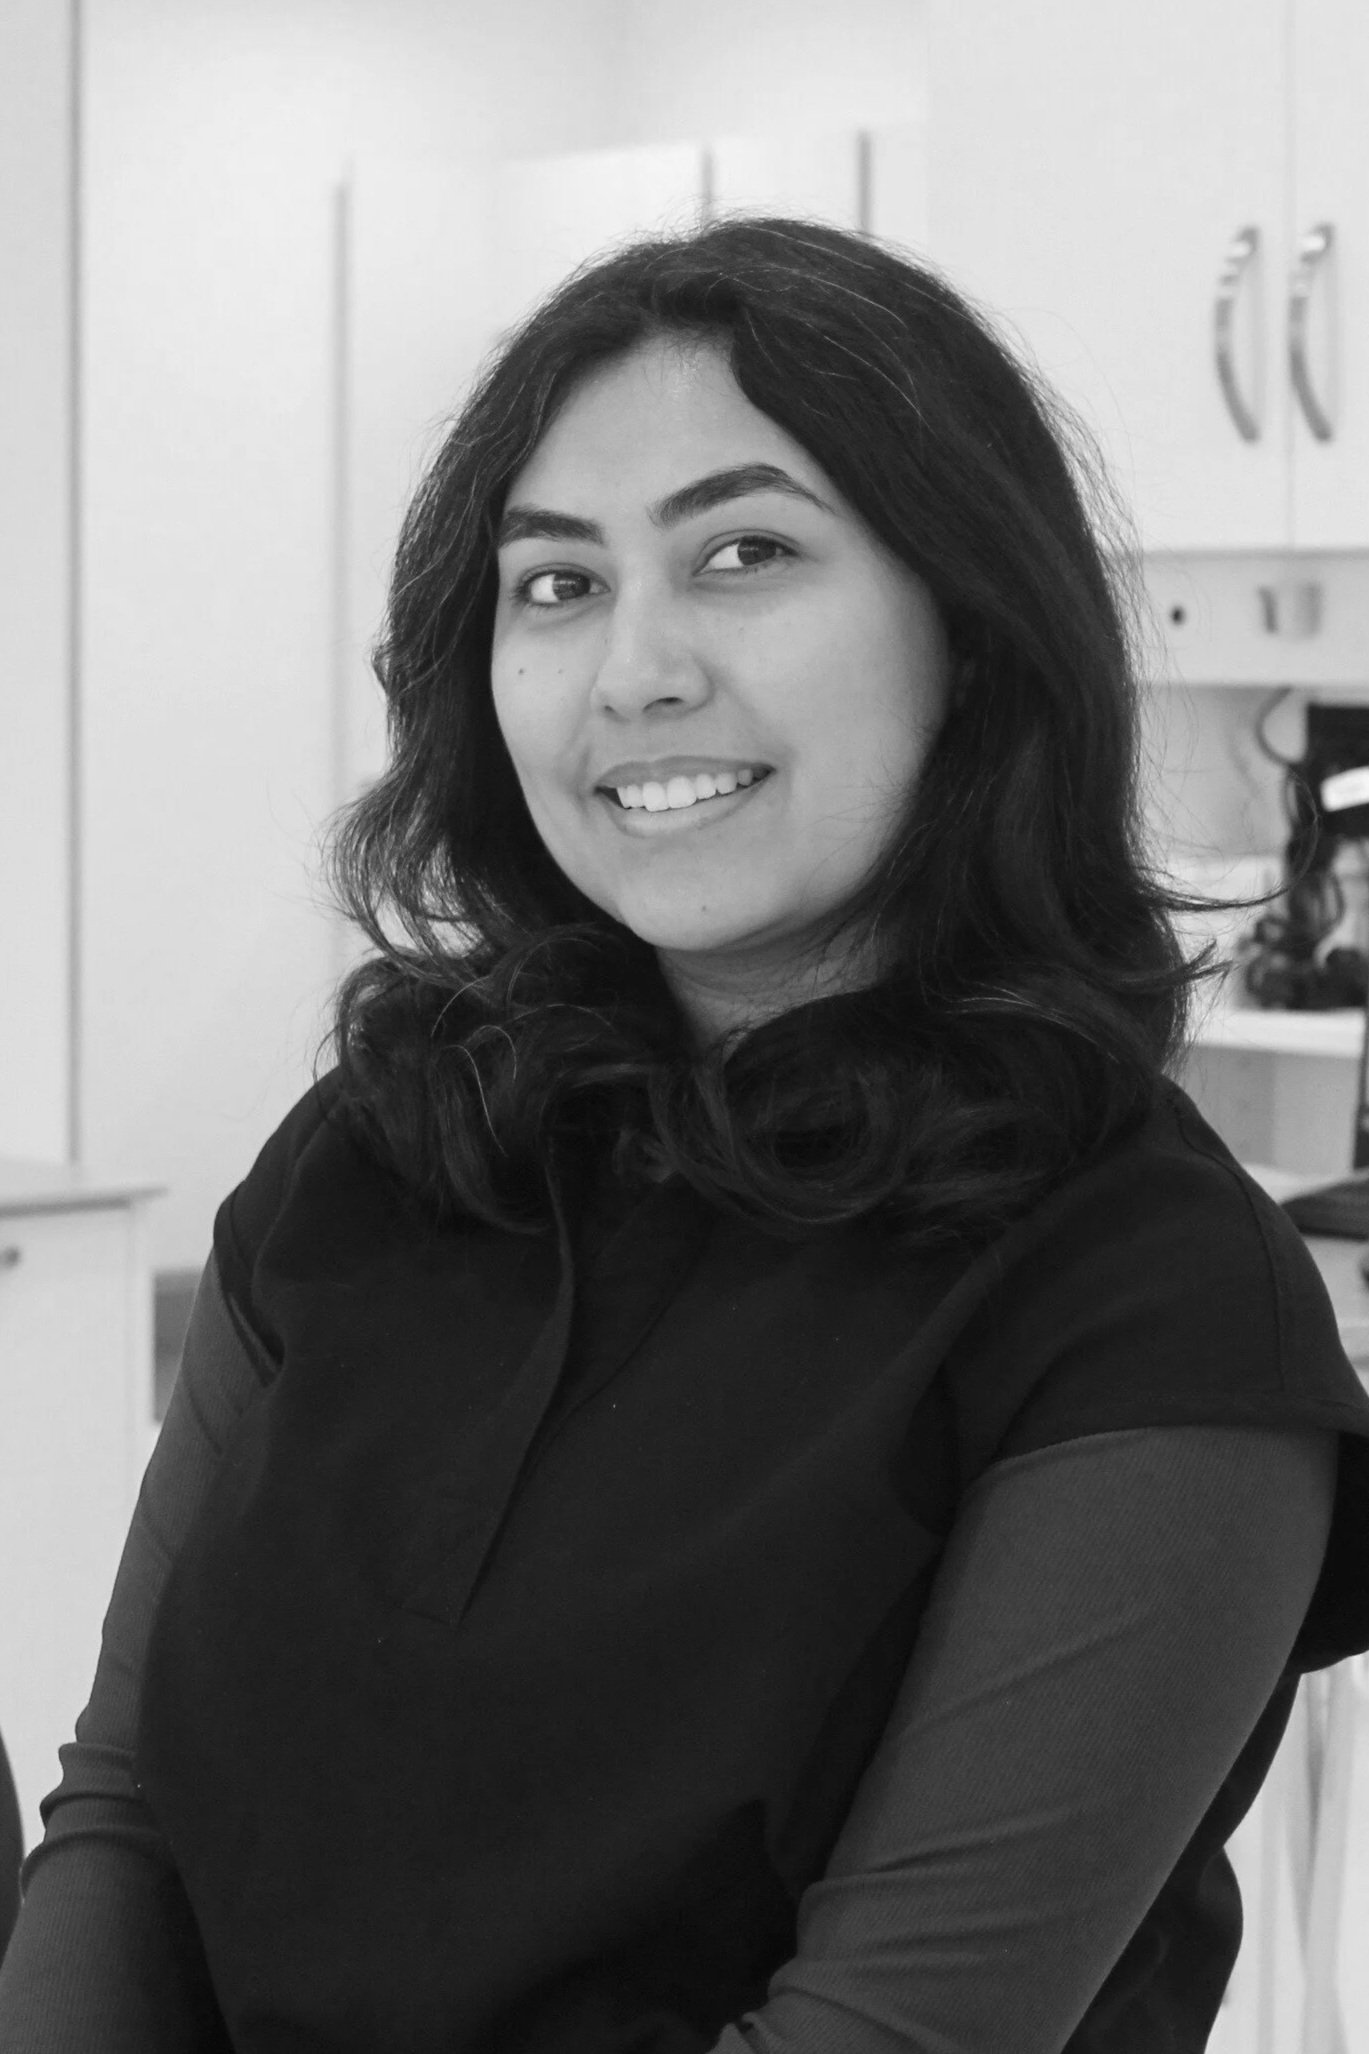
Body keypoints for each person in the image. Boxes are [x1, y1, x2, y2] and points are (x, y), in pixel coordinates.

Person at [2, 213, 1367, 2053]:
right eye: (554, 585)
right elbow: (126, 1811)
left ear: (966, 628)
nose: (632, 669)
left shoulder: (1155, 1307)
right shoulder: (376, 1152)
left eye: (744, 553)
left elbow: (885, 2032)